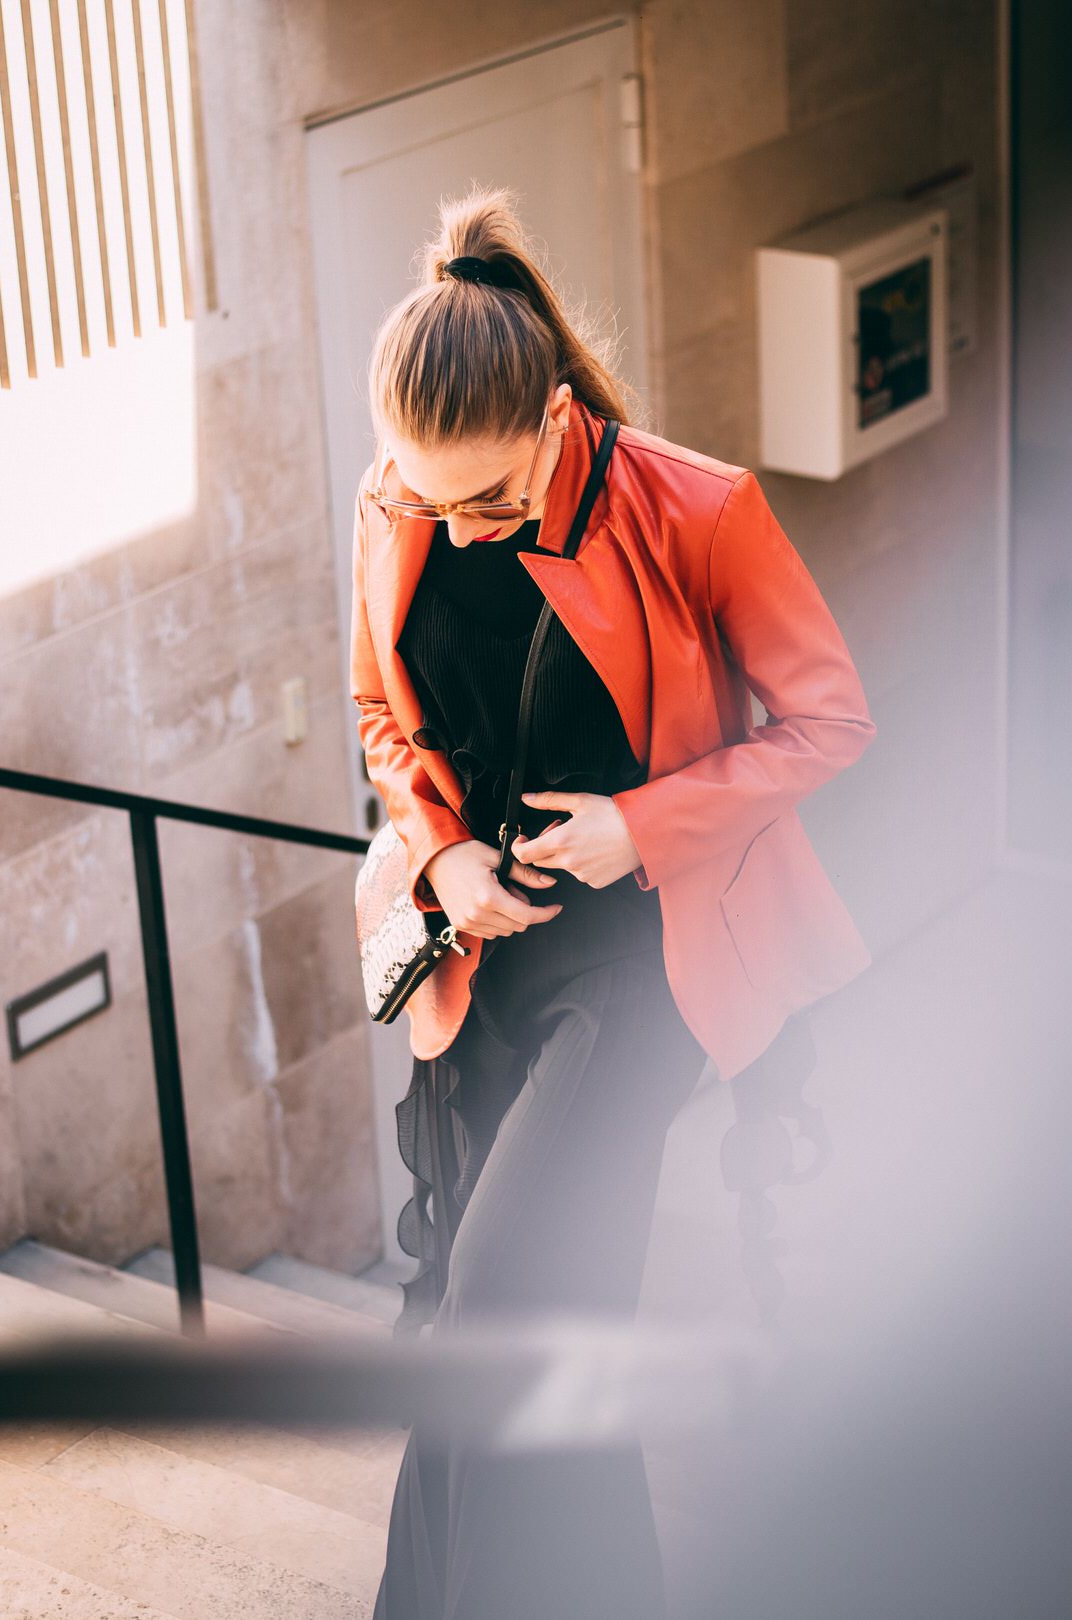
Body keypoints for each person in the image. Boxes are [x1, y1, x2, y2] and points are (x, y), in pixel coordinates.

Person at [351, 181, 876, 1620]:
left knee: (501, 1319)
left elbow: (831, 723)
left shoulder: (702, 509)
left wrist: (639, 826)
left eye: (489, 502)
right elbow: (381, 716)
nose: (454, 532)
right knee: (530, 1323)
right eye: (424, 499)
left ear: (554, 425)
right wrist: (445, 854)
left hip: (642, 965)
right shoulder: (401, 499)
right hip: (480, 956)